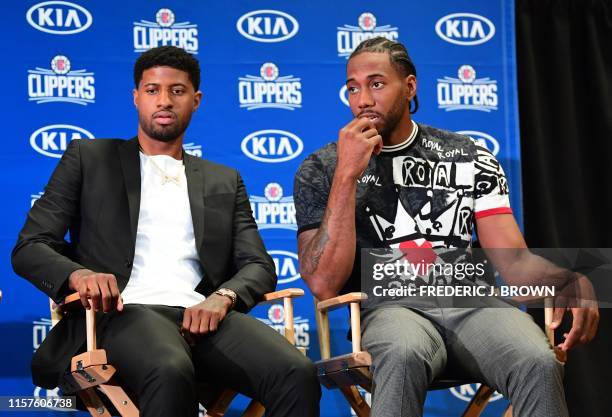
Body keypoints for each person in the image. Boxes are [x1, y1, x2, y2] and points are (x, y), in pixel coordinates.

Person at [294, 37, 599, 417]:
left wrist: (566, 277)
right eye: (353, 87)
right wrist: (346, 175)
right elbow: (323, 283)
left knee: (537, 359)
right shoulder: (321, 168)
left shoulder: (470, 155)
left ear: (409, 87)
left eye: (376, 83)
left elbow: (515, 263)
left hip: (474, 305)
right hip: (392, 309)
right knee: (401, 356)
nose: (363, 100)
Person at [12, 45, 320, 417]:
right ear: (136, 97)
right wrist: (79, 275)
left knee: (297, 372)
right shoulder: (90, 159)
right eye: (153, 90)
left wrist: (223, 297)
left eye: (177, 91)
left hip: (201, 316)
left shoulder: (224, 180)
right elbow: (31, 246)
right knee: (170, 368)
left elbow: (258, 264)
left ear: (196, 100)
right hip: (121, 313)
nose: (165, 100)